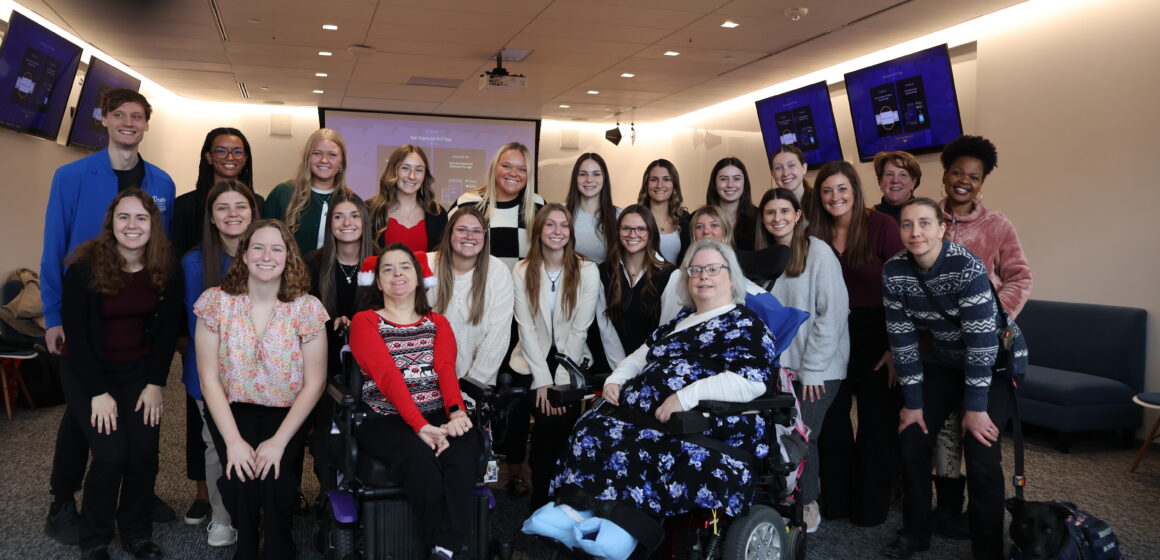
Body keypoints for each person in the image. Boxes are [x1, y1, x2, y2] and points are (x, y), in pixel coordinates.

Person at [548, 239, 779, 544]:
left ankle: (623, 531)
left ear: (731, 277)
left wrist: (686, 396)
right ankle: (579, 513)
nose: (703, 276)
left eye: (712, 269)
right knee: (590, 427)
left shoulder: (746, 323)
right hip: (646, 416)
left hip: (701, 423)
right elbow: (640, 356)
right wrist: (615, 379)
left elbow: (751, 379)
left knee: (638, 447)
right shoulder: (681, 319)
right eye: (695, 270)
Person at [41, 88, 176, 545]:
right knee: (85, 424)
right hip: (83, 320)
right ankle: (63, 499)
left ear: (145, 124)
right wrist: (52, 315)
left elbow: (161, 257)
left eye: (137, 116)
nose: (128, 123)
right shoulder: (72, 175)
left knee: (133, 444)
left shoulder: (161, 183)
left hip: (133, 331)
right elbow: (53, 247)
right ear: (104, 119)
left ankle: (133, 504)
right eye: (120, 115)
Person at [881, 197, 1028, 560]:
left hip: (994, 363)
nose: (916, 232)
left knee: (981, 448)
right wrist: (913, 406)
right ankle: (916, 532)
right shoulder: (894, 271)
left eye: (925, 223)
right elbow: (902, 341)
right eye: (907, 224)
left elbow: (981, 343)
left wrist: (975, 409)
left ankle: (988, 549)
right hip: (946, 361)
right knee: (912, 438)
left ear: (942, 228)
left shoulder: (966, 266)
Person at [194, 220, 328, 560]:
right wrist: (235, 443)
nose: (266, 256)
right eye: (258, 247)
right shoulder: (216, 303)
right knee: (240, 482)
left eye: (276, 249)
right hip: (232, 410)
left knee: (277, 483)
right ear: (244, 253)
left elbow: (315, 383)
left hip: (287, 412)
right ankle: (247, 541)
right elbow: (208, 379)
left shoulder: (306, 308)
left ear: (289, 257)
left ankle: (280, 544)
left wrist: (279, 443)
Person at [61, 189, 181, 560]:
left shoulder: (166, 265)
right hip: (88, 372)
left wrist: (156, 384)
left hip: (139, 371)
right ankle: (94, 538)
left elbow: (167, 332)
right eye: (124, 217)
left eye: (141, 218)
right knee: (112, 454)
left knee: (144, 452)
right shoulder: (85, 266)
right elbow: (76, 337)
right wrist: (98, 391)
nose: (132, 225)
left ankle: (136, 532)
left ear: (152, 225)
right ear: (111, 223)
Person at [348, 243, 483, 560]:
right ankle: (446, 545)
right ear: (378, 282)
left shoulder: (438, 322)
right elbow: (387, 377)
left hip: (437, 410)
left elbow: (446, 371)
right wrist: (420, 425)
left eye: (405, 267)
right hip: (385, 417)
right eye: (388, 269)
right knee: (422, 463)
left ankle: (444, 549)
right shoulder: (365, 322)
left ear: (419, 277)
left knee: (462, 454)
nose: (397, 274)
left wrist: (456, 414)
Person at [930, 135, 1033, 537]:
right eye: (957, 172)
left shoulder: (997, 225)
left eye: (973, 176)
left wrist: (991, 316)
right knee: (939, 438)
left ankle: (985, 532)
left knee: (981, 442)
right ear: (945, 174)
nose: (963, 181)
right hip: (939, 353)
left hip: (989, 353)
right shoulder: (925, 219)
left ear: (981, 181)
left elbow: (1020, 277)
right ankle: (946, 511)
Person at [172, 127, 264, 529]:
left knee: (255, 444)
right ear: (211, 217)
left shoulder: (268, 259)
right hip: (209, 375)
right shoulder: (194, 264)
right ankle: (223, 519)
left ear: (253, 213)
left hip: (259, 372)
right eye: (223, 209)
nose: (232, 215)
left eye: (240, 208)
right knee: (216, 446)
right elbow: (195, 331)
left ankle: (255, 513)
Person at [806, 160, 903, 527]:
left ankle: (870, 508)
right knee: (831, 420)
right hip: (830, 332)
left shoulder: (881, 226)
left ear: (855, 190)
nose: (835, 197)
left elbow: (903, 288)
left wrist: (897, 347)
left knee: (876, 422)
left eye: (842, 189)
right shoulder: (812, 231)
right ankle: (837, 501)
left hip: (878, 332)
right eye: (827, 190)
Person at [757, 188, 849, 533]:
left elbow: (833, 314)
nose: (777, 218)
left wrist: (813, 370)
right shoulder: (768, 258)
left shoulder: (818, 252)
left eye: (784, 210)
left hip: (818, 370)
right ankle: (785, 500)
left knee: (801, 439)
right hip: (782, 369)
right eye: (770, 212)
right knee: (781, 438)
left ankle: (808, 503)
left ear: (798, 215)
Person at [509, 203, 600, 509]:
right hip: (532, 358)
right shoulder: (522, 270)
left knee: (557, 417)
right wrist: (543, 380)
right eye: (550, 225)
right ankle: (542, 496)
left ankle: (547, 496)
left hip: (571, 360)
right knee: (544, 409)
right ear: (539, 230)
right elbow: (525, 329)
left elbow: (579, 330)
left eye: (564, 225)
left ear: (570, 233)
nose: (557, 231)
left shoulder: (587, 270)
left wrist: (559, 382)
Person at [303, 191, 376, 499]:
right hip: (323, 364)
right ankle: (327, 488)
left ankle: (364, 486)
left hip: (370, 367)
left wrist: (357, 325)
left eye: (354, 216)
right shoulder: (314, 263)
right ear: (329, 223)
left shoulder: (381, 261)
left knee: (368, 432)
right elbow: (302, 315)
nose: (347, 223)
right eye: (338, 216)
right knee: (324, 432)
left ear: (365, 221)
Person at [427, 206, 514, 387]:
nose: (469, 236)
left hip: (478, 387)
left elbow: (497, 339)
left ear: (485, 237)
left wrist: (469, 390)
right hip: (428, 384)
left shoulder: (498, 272)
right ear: (449, 233)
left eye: (477, 231)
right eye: (462, 229)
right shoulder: (426, 265)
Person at [595, 205, 676, 369]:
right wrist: (621, 371)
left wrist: (642, 368)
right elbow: (606, 330)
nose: (633, 235)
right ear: (618, 231)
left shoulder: (670, 275)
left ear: (651, 233)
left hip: (653, 366)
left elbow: (666, 332)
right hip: (612, 367)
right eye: (626, 228)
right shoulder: (602, 272)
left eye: (641, 229)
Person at [170, 127, 263, 257]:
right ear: (209, 157)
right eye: (221, 151)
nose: (230, 157)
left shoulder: (258, 202)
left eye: (237, 152)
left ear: (245, 159)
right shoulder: (185, 205)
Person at [450, 142, 544, 270]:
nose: (513, 173)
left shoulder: (538, 205)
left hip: (524, 287)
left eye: (522, 169)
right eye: (506, 166)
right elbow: (445, 247)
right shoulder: (467, 202)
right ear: (494, 168)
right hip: (478, 287)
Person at [262, 128, 354, 252]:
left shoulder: (349, 200)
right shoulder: (284, 193)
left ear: (342, 161)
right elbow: (262, 240)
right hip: (289, 271)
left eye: (332, 154)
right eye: (317, 153)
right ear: (307, 158)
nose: (324, 160)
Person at [366, 144, 448, 254]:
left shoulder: (437, 214)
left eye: (419, 170)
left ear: (425, 175)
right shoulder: (370, 210)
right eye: (405, 168)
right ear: (393, 170)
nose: (412, 176)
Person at [564, 153, 620, 263]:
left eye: (596, 174)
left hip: (606, 280)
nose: (589, 180)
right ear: (575, 178)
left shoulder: (619, 215)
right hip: (568, 279)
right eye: (583, 174)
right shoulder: (561, 212)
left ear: (604, 179)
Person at [635, 159, 689, 265]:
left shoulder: (684, 218)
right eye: (654, 179)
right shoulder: (636, 218)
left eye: (666, 179)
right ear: (646, 184)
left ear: (674, 185)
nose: (659, 185)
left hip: (678, 280)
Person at [705, 157, 758, 250]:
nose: (730, 185)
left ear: (744, 183)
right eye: (723, 179)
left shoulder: (759, 217)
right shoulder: (699, 218)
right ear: (714, 183)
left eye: (736, 179)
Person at [872, 150, 922, 222]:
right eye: (889, 174)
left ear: (914, 182)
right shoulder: (868, 217)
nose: (895, 180)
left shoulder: (927, 214)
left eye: (903, 174)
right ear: (879, 181)